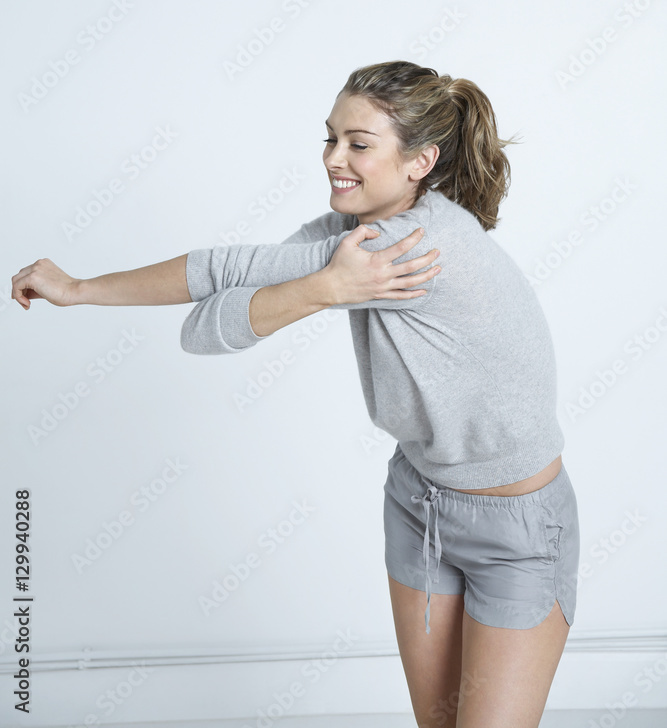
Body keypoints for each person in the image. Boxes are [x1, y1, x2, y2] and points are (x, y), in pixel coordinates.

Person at [11, 60, 580, 727]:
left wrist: (78, 291)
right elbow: (207, 329)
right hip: (417, 505)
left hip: (516, 530)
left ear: (419, 161)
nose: (333, 158)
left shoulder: (415, 247)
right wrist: (321, 289)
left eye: (358, 144)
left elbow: (225, 276)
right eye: (329, 138)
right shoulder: (344, 240)